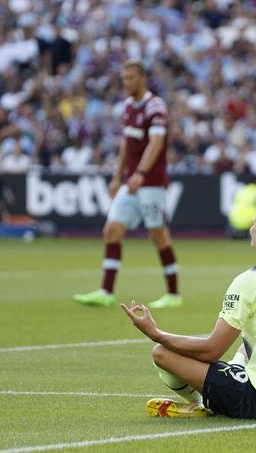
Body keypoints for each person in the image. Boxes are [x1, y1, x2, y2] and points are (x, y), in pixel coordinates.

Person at [122, 201, 256, 419]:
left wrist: (155, 333)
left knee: (162, 352)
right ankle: (227, 380)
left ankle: (199, 404)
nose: (250, 228)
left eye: (253, 223)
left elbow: (211, 350)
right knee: (248, 342)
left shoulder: (252, 278)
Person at [74, 60, 182, 309]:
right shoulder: (127, 106)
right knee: (112, 230)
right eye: (124, 78)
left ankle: (174, 294)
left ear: (143, 78)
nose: (127, 82)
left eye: (131, 77)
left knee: (158, 236)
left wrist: (141, 173)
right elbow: (126, 144)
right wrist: (117, 176)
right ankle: (106, 291)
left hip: (151, 183)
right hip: (131, 181)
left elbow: (156, 143)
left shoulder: (156, 107)